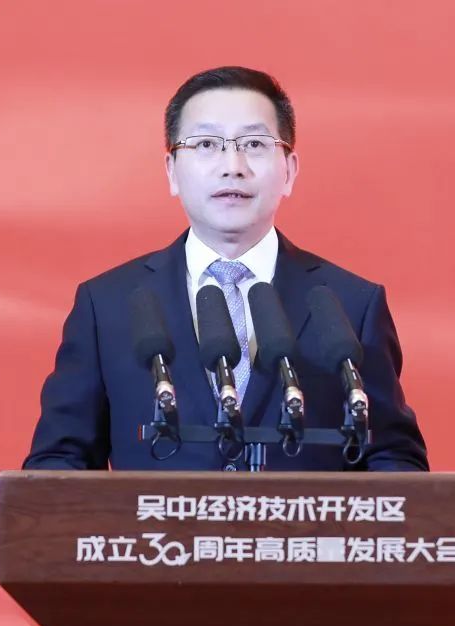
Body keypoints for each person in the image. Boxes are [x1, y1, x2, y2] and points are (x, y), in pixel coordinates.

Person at [23, 66, 427, 472]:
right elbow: (58, 464)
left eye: (254, 144)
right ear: (171, 171)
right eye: (206, 144)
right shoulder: (107, 306)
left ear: (289, 171)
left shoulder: (350, 305)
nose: (232, 165)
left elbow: (394, 460)